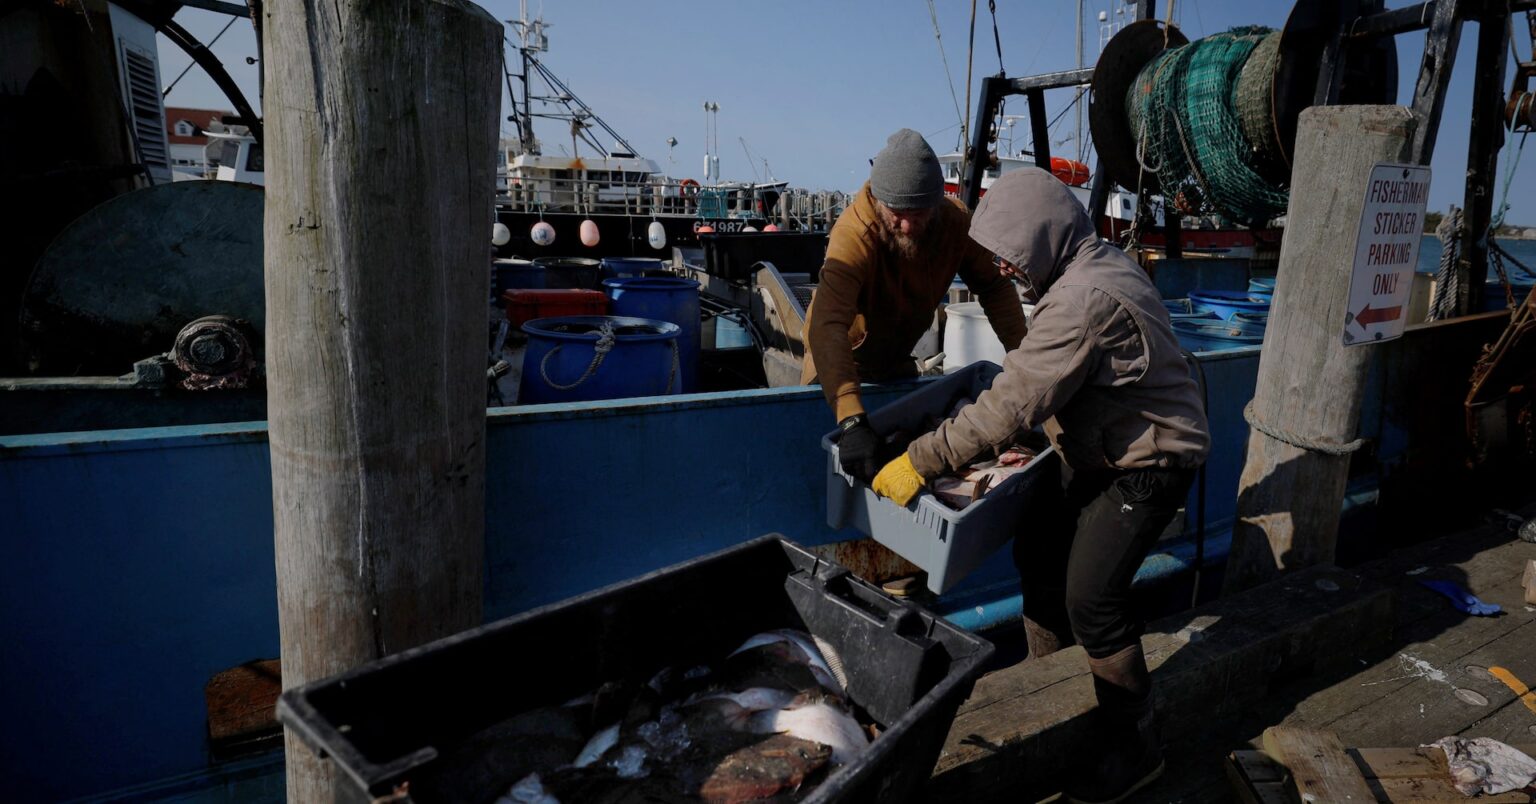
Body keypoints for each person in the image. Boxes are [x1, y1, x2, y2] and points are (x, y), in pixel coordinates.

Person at [869, 167, 1211, 804]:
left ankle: (1135, 742)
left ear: (1044, 237)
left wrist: (919, 461)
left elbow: (1009, 405)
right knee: (1039, 544)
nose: (1003, 270)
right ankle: (1052, 679)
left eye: (1010, 255)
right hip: (1099, 445)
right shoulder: (1091, 259)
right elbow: (1064, 384)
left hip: (1152, 461)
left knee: (1094, 599)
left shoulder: (1082, 299)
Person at [804, 128, 1029, 481]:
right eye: (897, 212)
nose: (908, 225)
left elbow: (995, 287)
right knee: (821, 465)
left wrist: (1024, 363)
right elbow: (827, 324)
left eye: (920, 212)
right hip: (840, 366)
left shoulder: (955, 223)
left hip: (895, 365)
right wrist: (850, 417)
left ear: (937, 202)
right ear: (879, 199)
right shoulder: (853, 234)